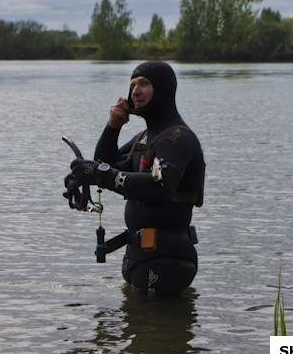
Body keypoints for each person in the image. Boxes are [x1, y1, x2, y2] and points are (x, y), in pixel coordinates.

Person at [66, 61, 205, 295]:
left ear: (163, 89)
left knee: (156, 329)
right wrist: (112, 127)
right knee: (138, 325)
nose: (135, 91)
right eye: (132, 85)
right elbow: (105, 164)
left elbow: (160, 187)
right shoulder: (144, 138)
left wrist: (100, 175)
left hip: (167, 258)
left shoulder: (177, 139)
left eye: (143, 84)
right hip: (141, 255)